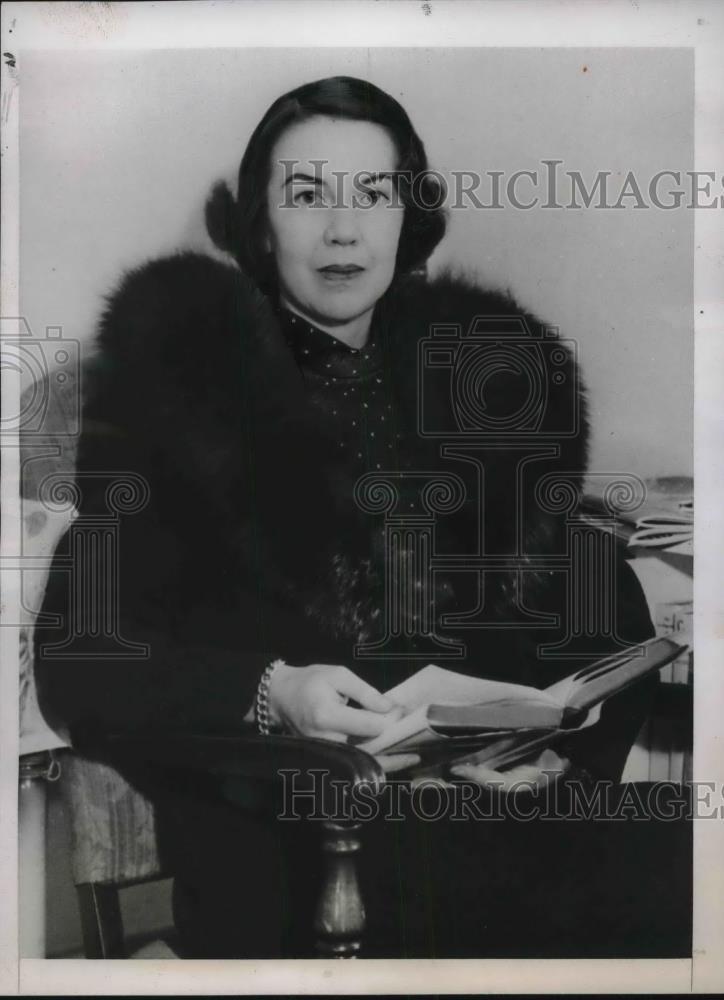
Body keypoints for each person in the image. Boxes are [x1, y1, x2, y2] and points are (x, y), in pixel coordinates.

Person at [35, 76, 688, 958]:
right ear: (259, 225)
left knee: (680, 861)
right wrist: (272, 691)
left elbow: (598, 606)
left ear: (404, 219)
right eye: (306, 196)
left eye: (372, 195)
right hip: (298, 850)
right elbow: (82, 659)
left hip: (499, 834)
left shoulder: (480, 384)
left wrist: (551, 751)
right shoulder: (173, 403)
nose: (343, 229)